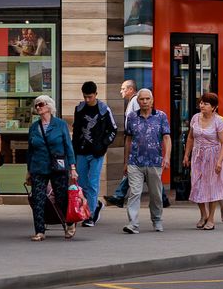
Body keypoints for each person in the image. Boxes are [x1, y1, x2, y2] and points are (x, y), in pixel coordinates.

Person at [27, 94, 78, 241]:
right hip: (38, 166)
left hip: (58, 166)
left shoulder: (60, 124)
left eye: (41, 104)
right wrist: (28, 170)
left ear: (49, 106)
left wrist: (73, 168)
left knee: (61, 197)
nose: (38, 107)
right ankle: (40, 231)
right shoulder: (34, 127)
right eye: (36, 105)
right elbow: (30, 150)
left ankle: (69, 224)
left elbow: (68, 147)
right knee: (38, 199)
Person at [123, 88, 171, 234]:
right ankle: (133, 223)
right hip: (135, 161)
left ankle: (157, 220)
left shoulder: (161, 116)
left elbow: (166, 137)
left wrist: (167, 157)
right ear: (137, 101)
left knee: (156, 194)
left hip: (154, 161)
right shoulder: (131, 117)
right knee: (134, 192)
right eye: (141, 99)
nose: (144, 102)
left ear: (152, 100)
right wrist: (125, 161)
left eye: (147, 99)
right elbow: (128, 139)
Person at [72, 80, 118, 228]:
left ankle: (90, 215)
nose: (87, 99)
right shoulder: (79, 109)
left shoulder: (104, 109)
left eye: (90, 97)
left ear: (96, 94)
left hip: (97, 153)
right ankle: (95, 205)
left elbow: (113, 130)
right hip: (81, 152)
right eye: (85, 96)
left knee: (92, 183)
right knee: (82, 184)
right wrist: (74, 150)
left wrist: (103, 145)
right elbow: (76, 131)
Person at [182, 91, 223, 228]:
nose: (202, 105)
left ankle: (211, 219)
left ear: (214, 107)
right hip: (198, 156)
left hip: (213, 156)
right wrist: (186, 154)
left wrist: (220, 161)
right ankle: (203, 214)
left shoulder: (218, 121)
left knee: (212, 187)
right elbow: (191, 137)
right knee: (196, 185)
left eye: (206, 104)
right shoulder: (195, 118)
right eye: (201, 103)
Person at [106, 80, 140, 207]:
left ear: (131, 89)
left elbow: (136, 120)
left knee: (133, 168)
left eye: (123, 88)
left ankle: (119, 196)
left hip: (135, 140)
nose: (121, 91)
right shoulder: (132, 101)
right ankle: (119, 196)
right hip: (132, 138)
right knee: (136, 169)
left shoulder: (135, 102)